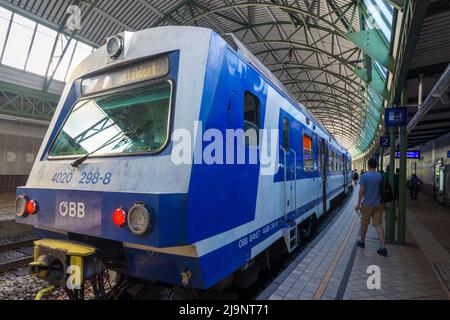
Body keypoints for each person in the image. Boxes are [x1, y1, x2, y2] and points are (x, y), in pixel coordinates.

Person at [355, 159, 388, 257]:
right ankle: (383, 247)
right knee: (378, 224)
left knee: (364, 223)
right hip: (379, 204)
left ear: (368, 165)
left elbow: (361, 191)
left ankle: (362, 241)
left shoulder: (364, 176)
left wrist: (358, 204)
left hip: (367, 204)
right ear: (376, 166)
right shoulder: (380, 176)